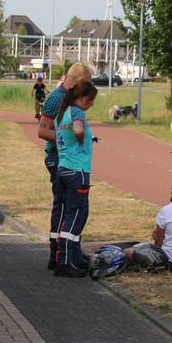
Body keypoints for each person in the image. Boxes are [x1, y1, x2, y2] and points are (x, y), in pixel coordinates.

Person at [38, 63, 93, 269]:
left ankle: (68, 250)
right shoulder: (57, 98)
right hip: (59, 158)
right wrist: (66, 141)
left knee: (70, 207)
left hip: (66, 158)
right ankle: (59, 252)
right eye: (88, 82)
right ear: (80, 82)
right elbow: (43, 130)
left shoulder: (70, 100)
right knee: (65, 206)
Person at [53, 81, 99, 277]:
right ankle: (65, 261)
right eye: (91, 100)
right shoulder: (77, 112)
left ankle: (71, 256)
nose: (91, 104)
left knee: (68, 215)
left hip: (63, 167)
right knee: (77, 215)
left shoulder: (62, 113)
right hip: (77, 170)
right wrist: (81, 138)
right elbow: (79, 130)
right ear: (83, 99)